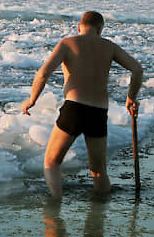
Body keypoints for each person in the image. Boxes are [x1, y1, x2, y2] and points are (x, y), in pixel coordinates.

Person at [21, 11, 143, 197]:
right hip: (99, 112)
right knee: (98, 171)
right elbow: (137, 69)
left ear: (79, 27)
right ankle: (99, 216)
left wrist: (32, 100)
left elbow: (42, 74)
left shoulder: (68, 43)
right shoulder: (109, 47)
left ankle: (55, 207)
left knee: (52, 162)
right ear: (100, 30)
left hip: (74, 108)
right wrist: (131, 98)